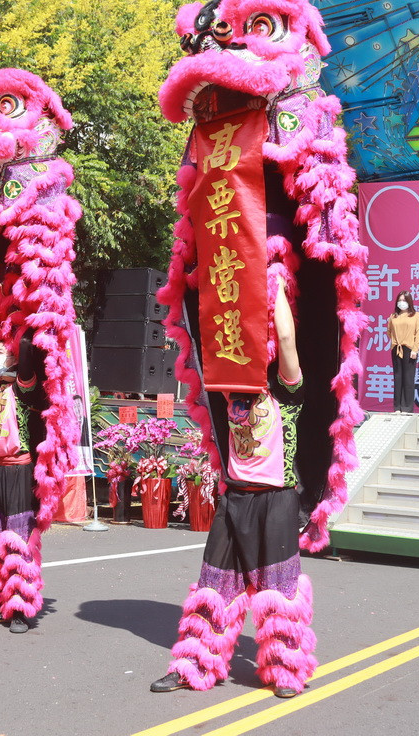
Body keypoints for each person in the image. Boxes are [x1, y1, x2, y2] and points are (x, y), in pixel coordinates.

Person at [152, 284, 314, 698]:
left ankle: (284, 671)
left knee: (278, 593)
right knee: (213, 584)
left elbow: (288, 337)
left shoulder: (286, 391)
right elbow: (210, 338)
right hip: (235, 497)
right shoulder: (227, 391)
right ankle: (193, 665)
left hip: (276, 500)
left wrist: (271, 282)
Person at [0, 334, 49, 634]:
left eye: (3, 352)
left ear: (15, 359)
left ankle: (18, 609)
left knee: (18, 540)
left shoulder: (24, 385)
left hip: (19, 470)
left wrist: (18, 336)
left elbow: (28, 347)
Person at [386, 291, 419, 413]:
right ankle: (397, 407)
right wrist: (396, 341)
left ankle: (407, 407)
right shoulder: (393, 316)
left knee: (408, 378)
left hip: (409, 349)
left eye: (404, 300)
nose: (402, 303)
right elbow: (389, 331)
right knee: (398, 377)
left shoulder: (415, 315)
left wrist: (415, 349)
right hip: (396, 348)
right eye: (400, 300)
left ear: (409, 302)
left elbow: (418, 334)